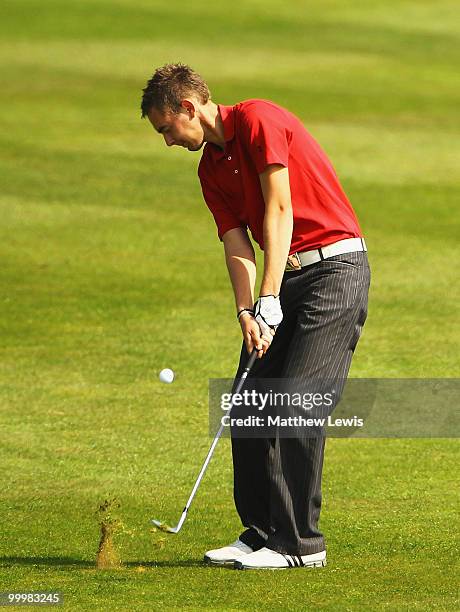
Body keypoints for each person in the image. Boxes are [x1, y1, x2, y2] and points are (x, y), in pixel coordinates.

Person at [141, 63, 370, 570]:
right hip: (280, 279)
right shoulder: (210, 170)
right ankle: (263, 532)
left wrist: (270, 297)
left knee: (296, 403)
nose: (167, 141)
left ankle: (300, 544)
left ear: (188, 107)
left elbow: (279, 209)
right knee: (247, 403)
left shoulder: (257, 119)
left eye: (166, 129)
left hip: (332, 272)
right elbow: (236, 243)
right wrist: (248, 310)